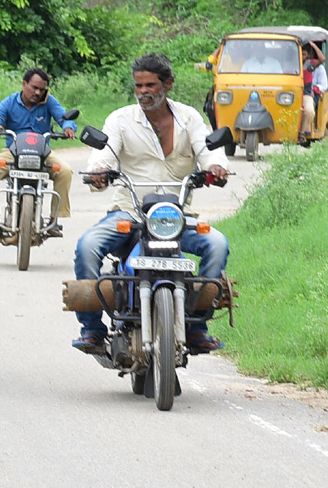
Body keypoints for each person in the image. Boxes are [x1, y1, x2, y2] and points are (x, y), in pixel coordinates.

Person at [72, 53, 231, 355]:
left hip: (176, 217)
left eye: (150, 85)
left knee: (218, 244)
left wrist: (215, 167)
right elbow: (103, 154)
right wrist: (98, 173)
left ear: (168, 84)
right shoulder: (120, 119)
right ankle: (92, 329)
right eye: (138, 86)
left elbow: (208, 150)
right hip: (129, 214)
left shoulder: (189, 118)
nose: (143, 92)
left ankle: (197, 328)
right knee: (87, 246)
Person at [0, 67, 77, 239]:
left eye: (42, 89)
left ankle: (54, 221)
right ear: (24, 84)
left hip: (42, 154)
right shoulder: (9, 102)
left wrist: (68, 127)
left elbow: (63, 117)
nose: (38, 92)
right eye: (34, 87)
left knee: (65, 171)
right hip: (13, 153)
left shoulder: (49, 102)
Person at [298, 40, 328, 141]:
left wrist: (313, 45)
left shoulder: (310, 65)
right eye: (300, 53)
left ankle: (301, 133)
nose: (301, 56)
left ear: (308, 56)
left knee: (309, 111)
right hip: (292, 93)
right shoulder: (290, 63)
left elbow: (322, 59)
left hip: (306, 93)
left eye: (304, 54)